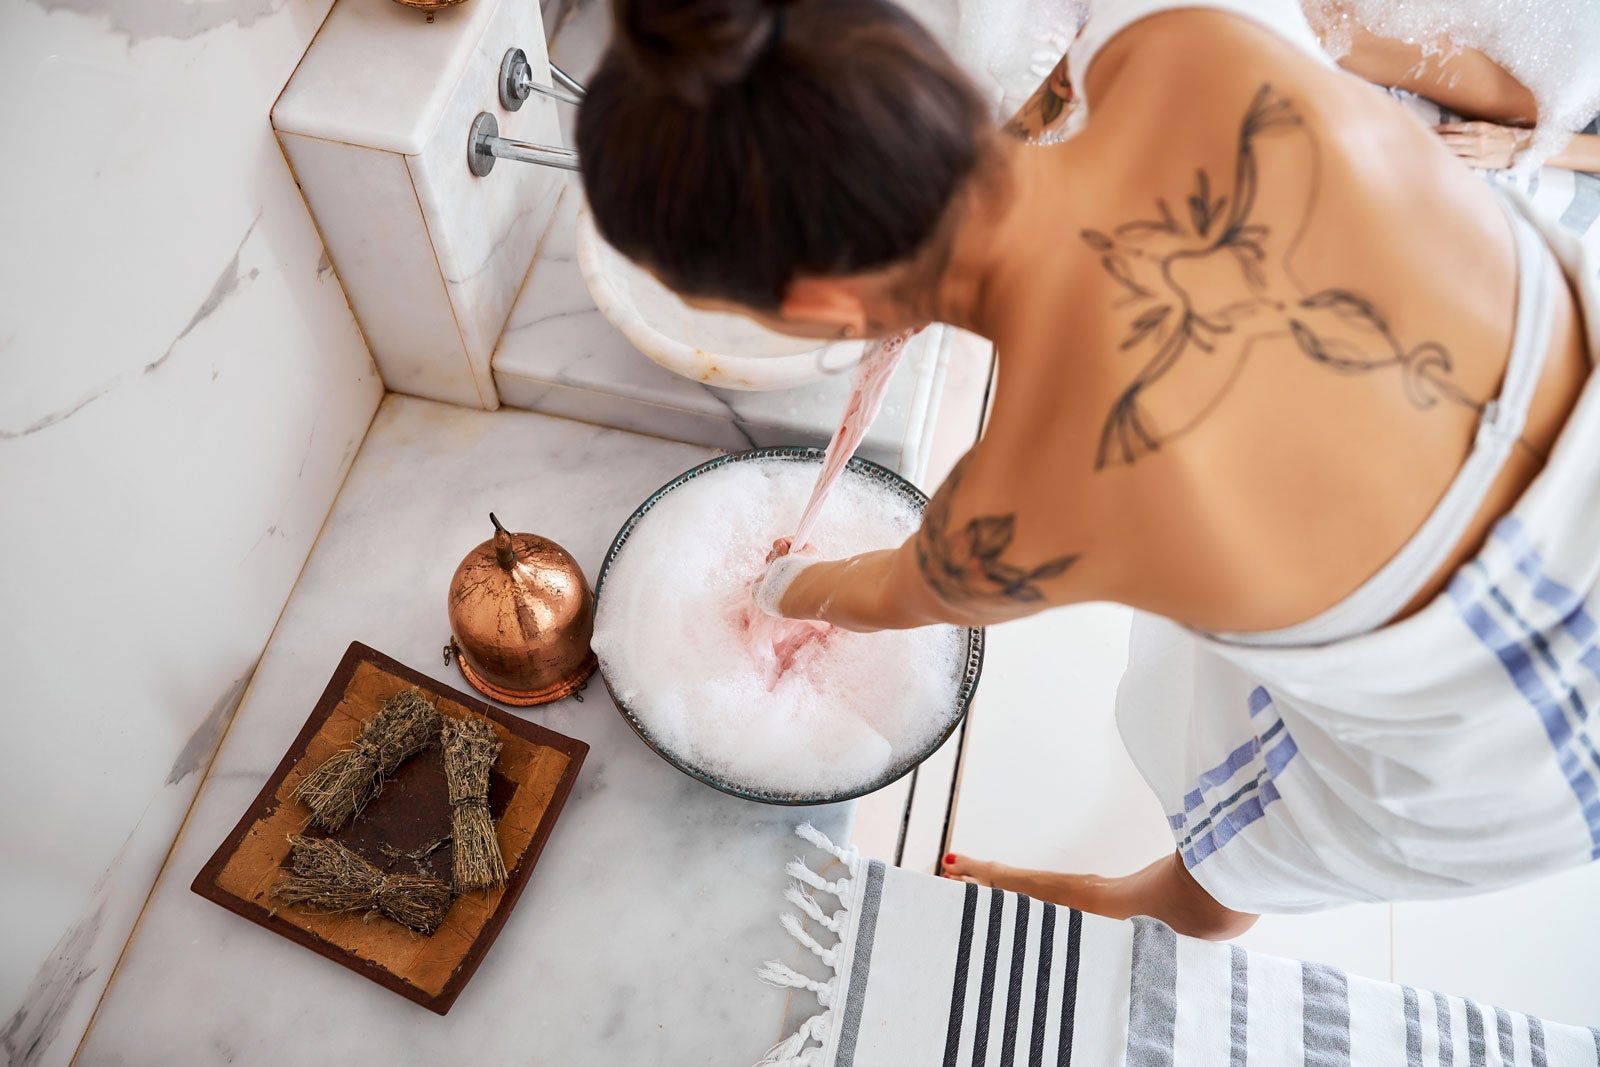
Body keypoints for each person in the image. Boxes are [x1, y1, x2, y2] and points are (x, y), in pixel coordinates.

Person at [576, 0, 1598, 938]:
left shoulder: (1012, 515)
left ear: (817, 312)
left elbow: (865, 593)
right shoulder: (1183, 34)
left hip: (1514, 741)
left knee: (1256, 845)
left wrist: (772, 584)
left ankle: (1155, 903)